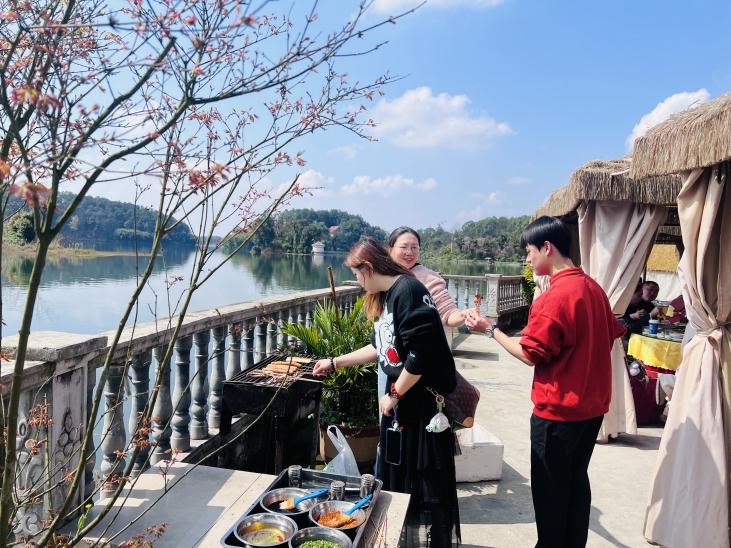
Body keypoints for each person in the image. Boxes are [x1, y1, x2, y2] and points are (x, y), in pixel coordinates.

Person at [464, 216, 625, 548]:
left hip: (558, 415)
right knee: (576, 485)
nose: (527, 259)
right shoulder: (593, 289)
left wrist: (490, 330)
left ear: (547, 248)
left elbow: (528, 353)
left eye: (529, 252)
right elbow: (609, 336)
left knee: (551, 495)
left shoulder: (556, 296)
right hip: (592, 409)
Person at [313, 237, 460, 547]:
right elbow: (378, 347)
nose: (357, 281)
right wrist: (335, 363)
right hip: (402, 408)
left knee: (429, 483)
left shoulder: (409, 291)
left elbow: (420, 355)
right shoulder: (386, 297)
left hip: (421, 408)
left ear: (368, 267)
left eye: (357, 274)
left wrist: (394, 394)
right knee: (400, 476)